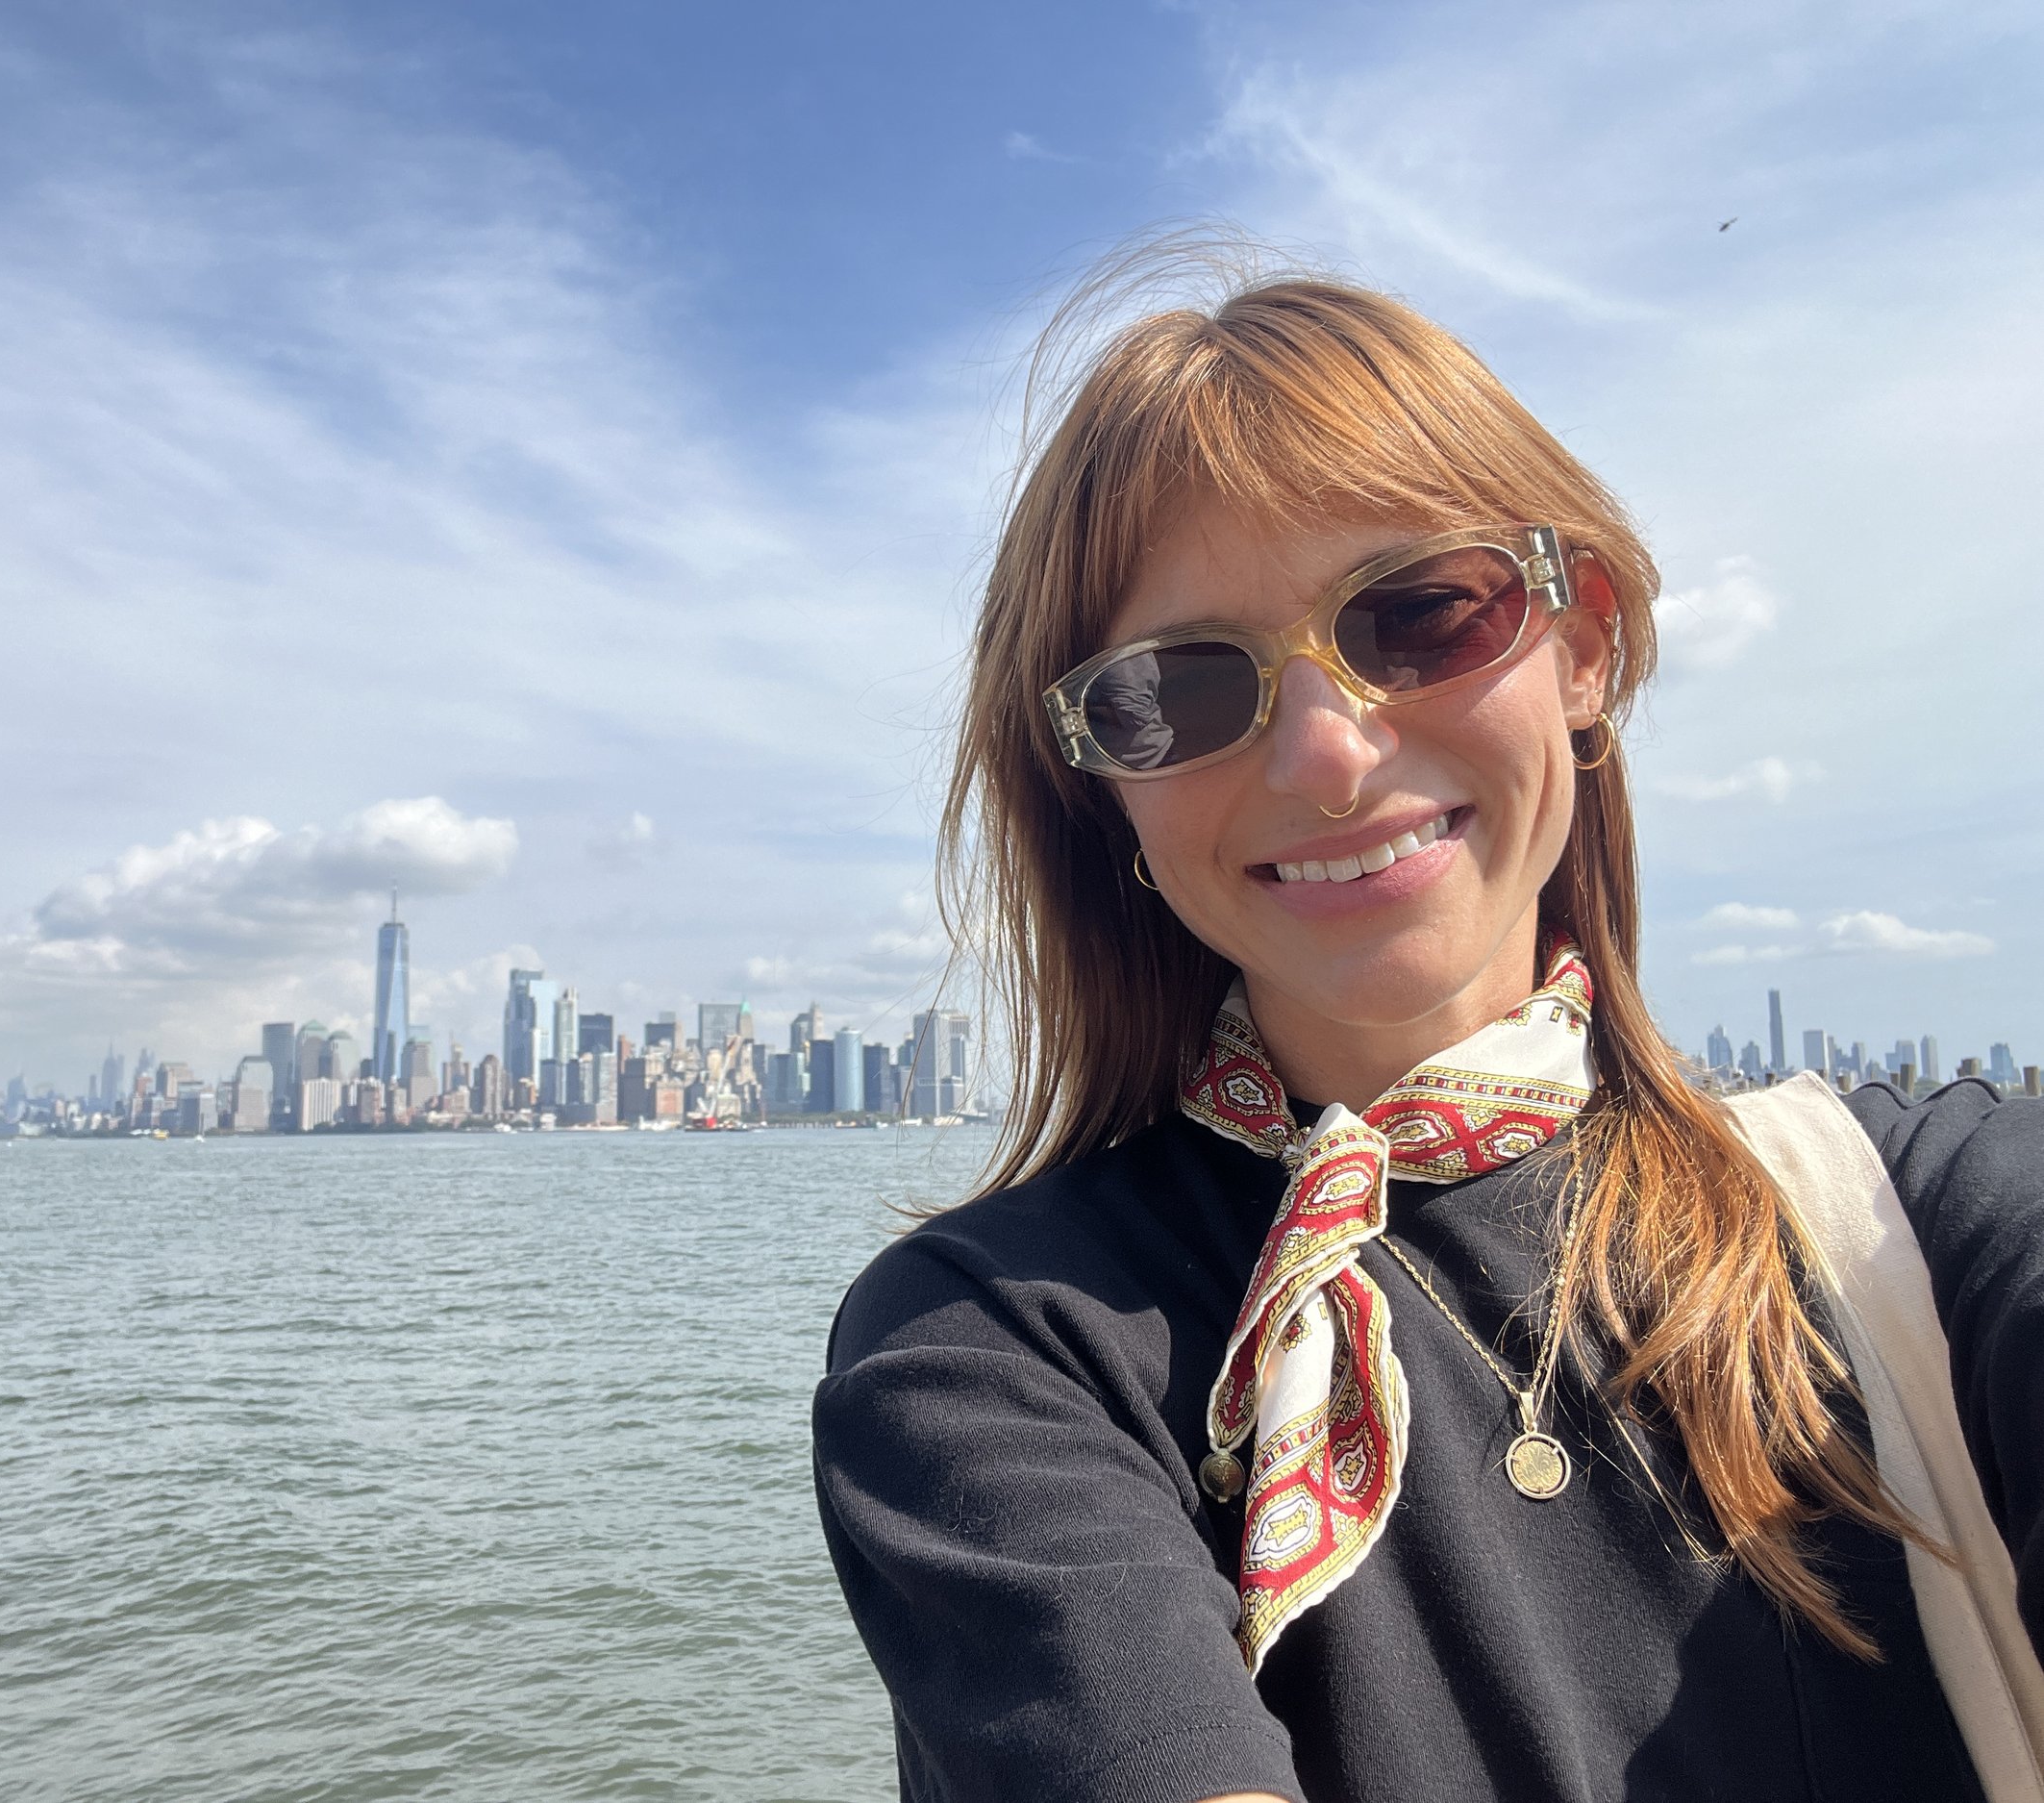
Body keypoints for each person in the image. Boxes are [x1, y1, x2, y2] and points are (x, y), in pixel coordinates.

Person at [810, 262, 2044, 1803]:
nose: (1328, 757)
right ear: (1101, 786)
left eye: (1422, 612)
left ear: (1582, 644)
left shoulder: (1919, 1218)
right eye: (1180, 691)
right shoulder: (991, 1350)